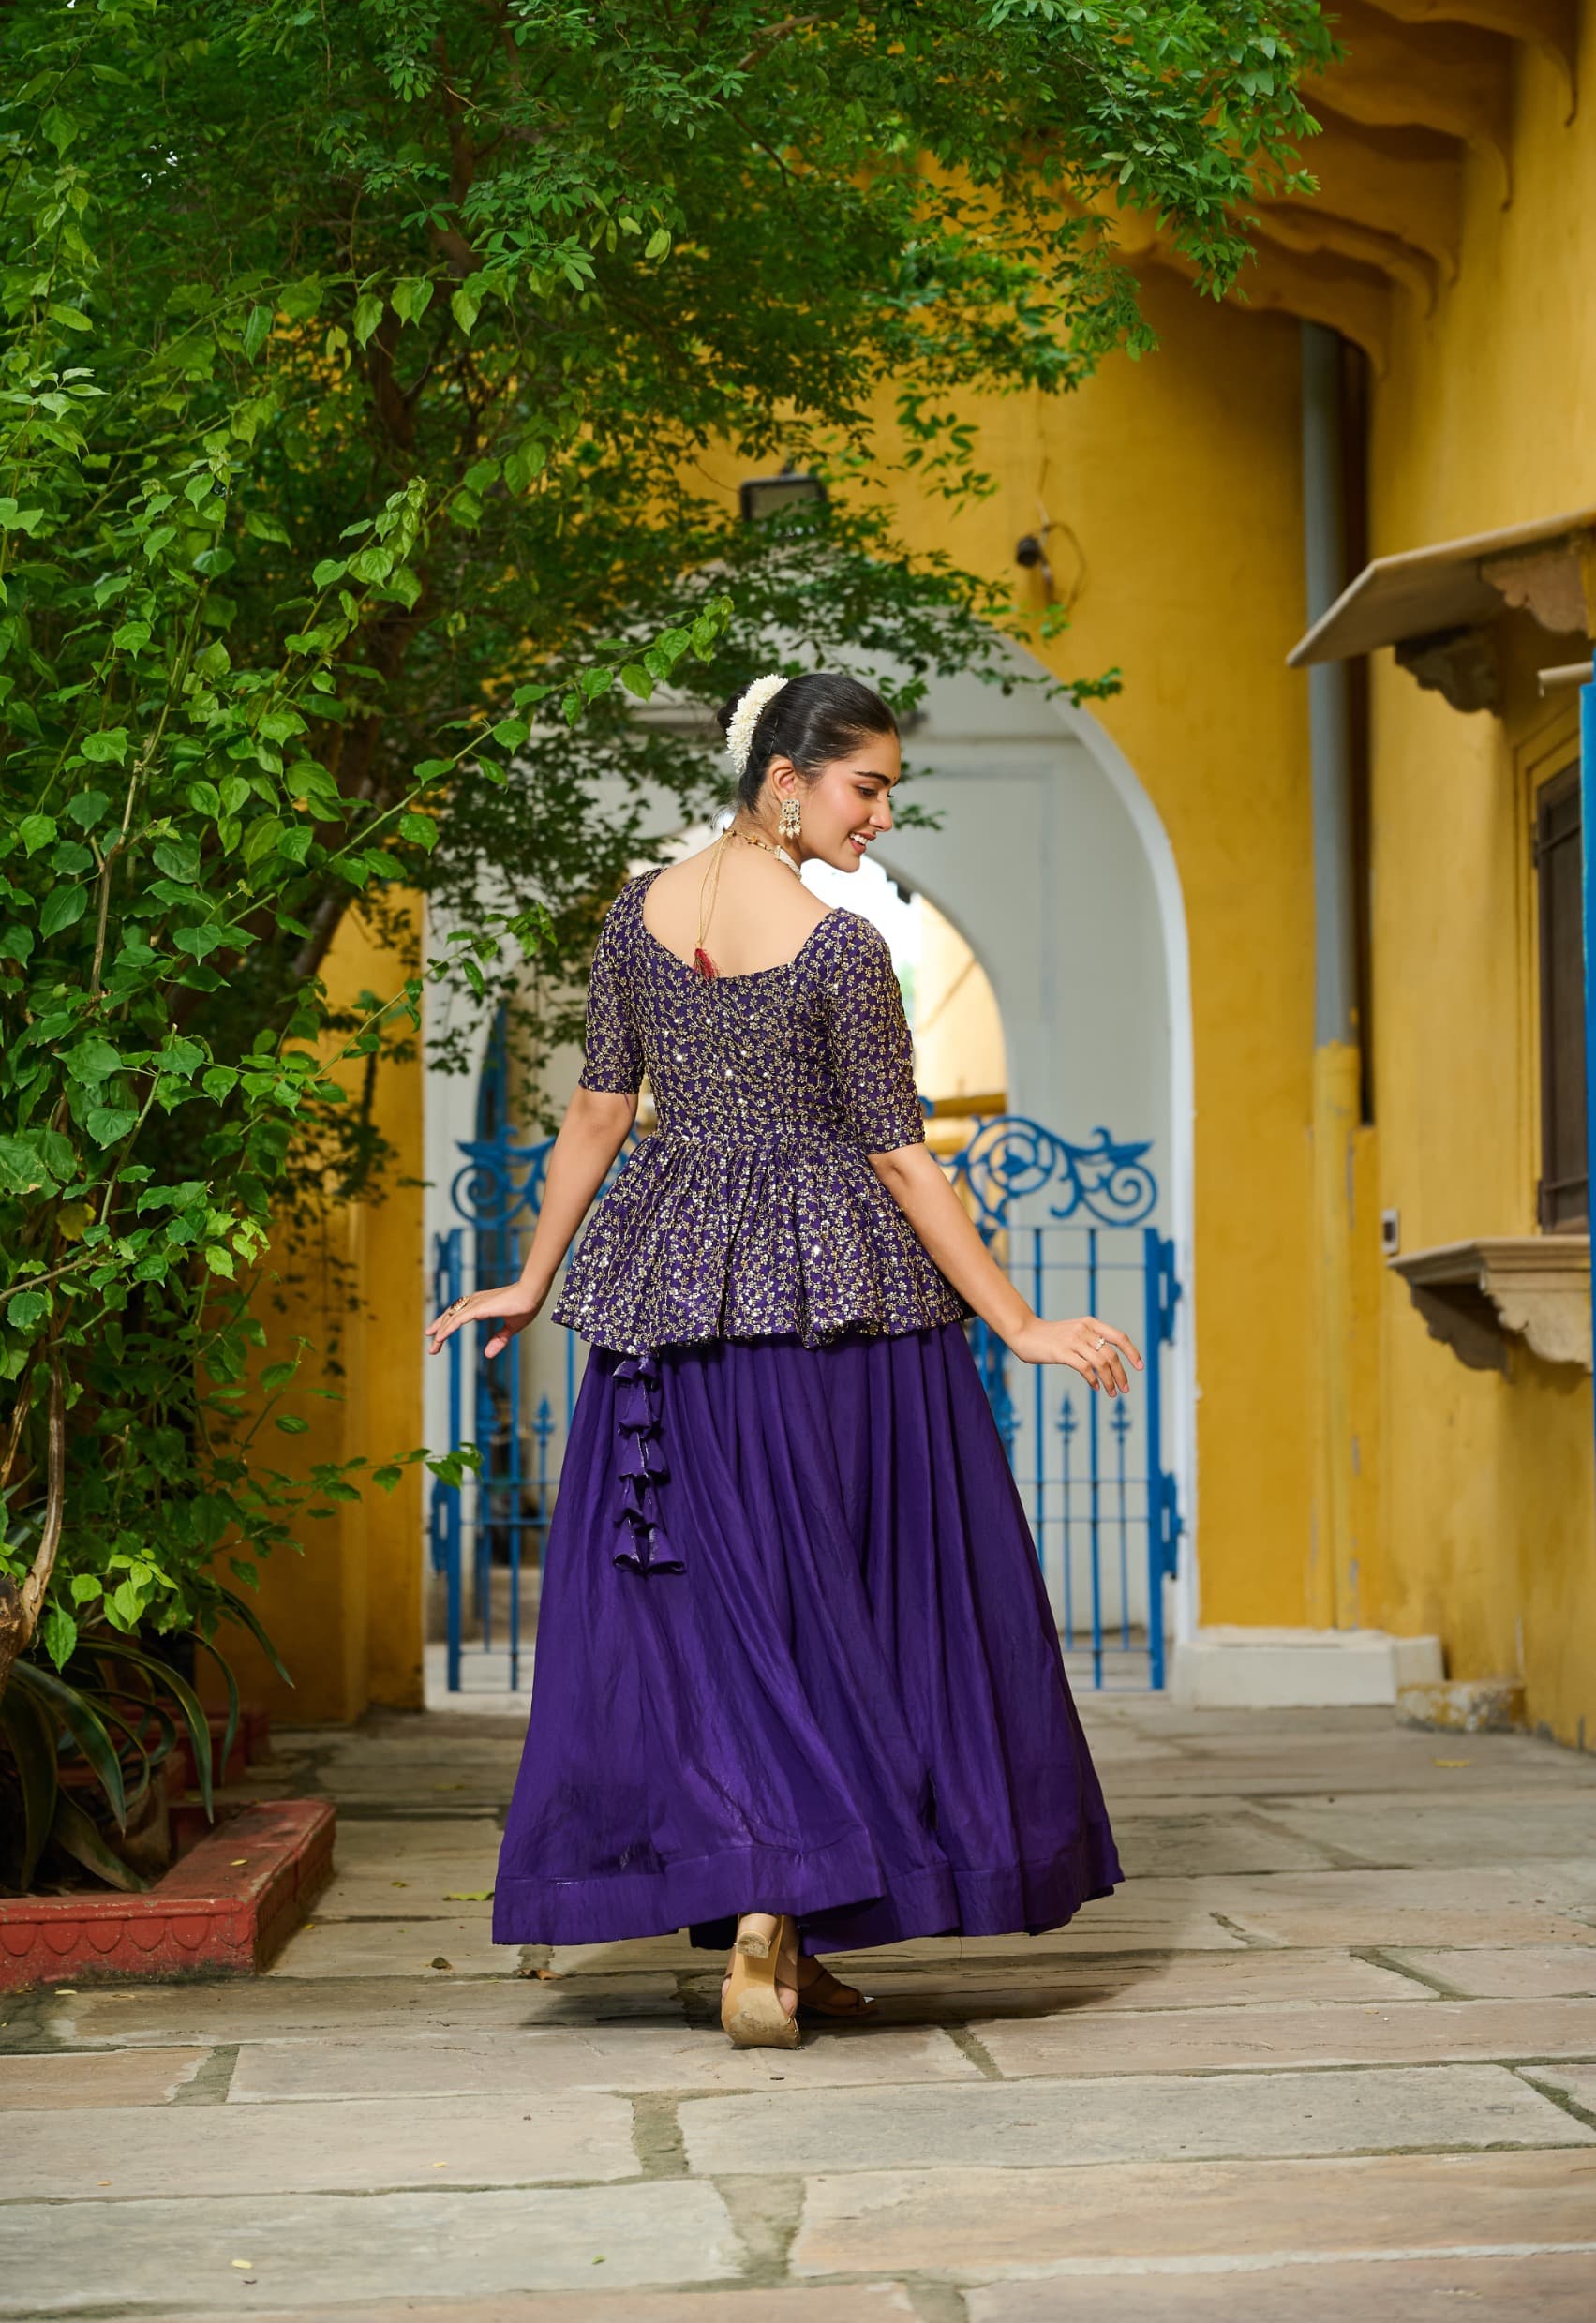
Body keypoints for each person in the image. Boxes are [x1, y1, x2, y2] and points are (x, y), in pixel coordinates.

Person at [427, 670, 1132, 2048]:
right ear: (785, 779)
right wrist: (1018, 1322)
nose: (881, 815)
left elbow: (598, 1111)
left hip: (668, 1309)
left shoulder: (636, 916)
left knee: (725, 1621)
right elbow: (899, 1159)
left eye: (889, 791)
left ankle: (775, 1921)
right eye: (866, 786)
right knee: (851, 1608)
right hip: (837, 1313)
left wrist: (532, 1274)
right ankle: (783, 1918)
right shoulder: (838, 948)